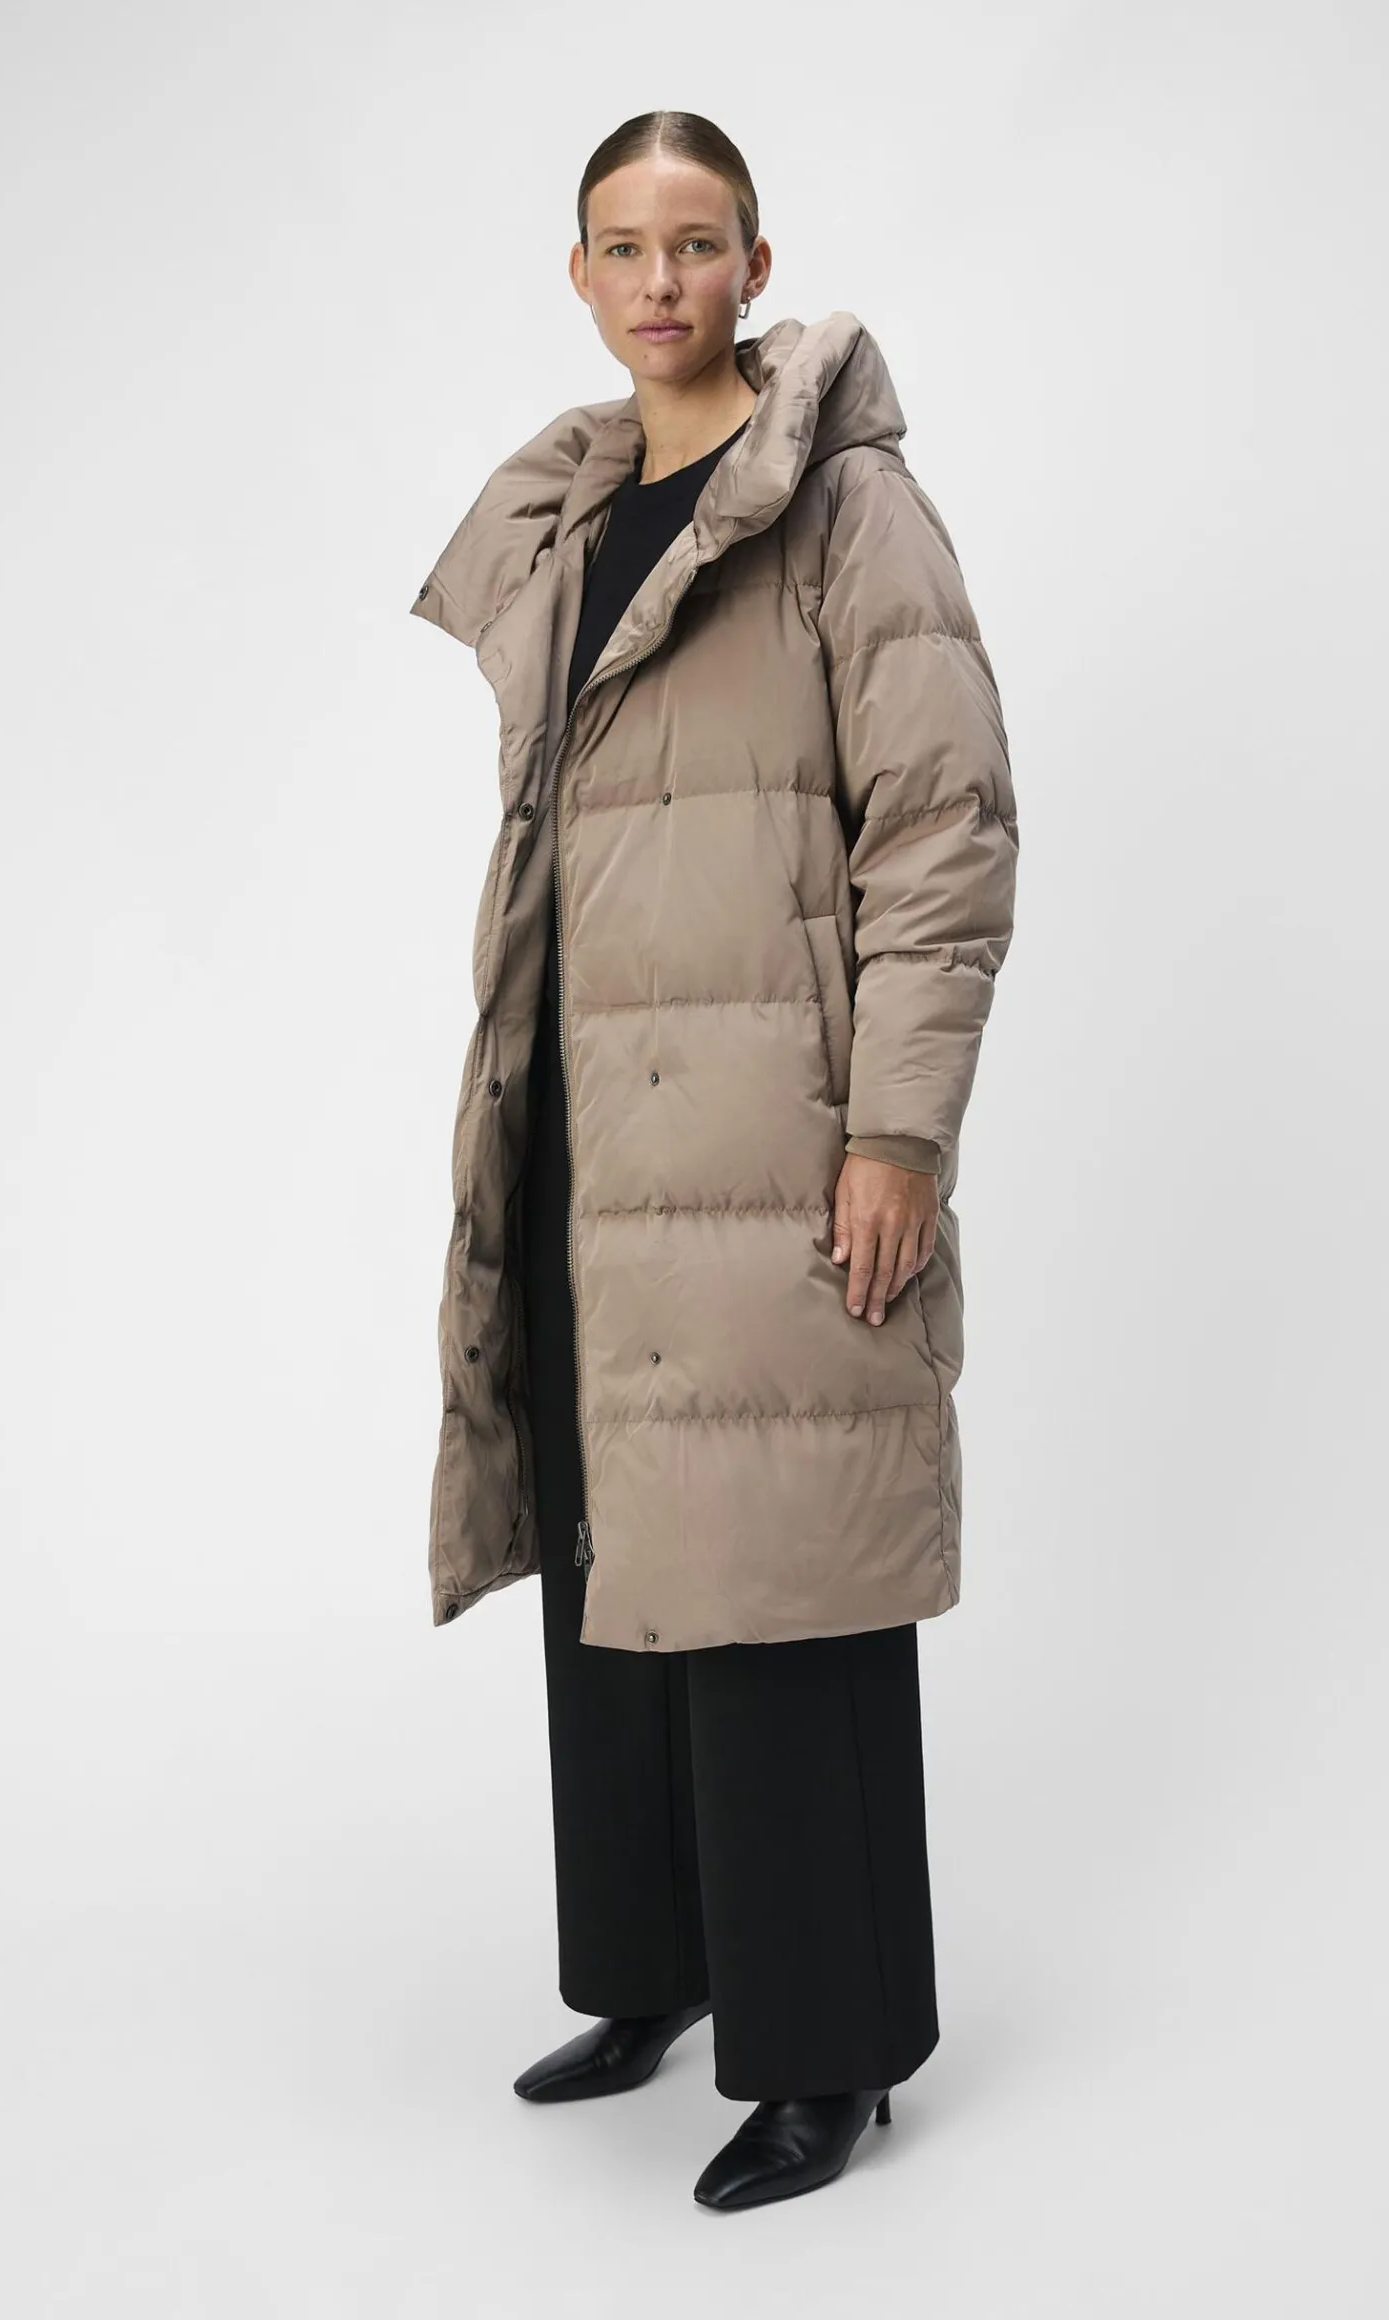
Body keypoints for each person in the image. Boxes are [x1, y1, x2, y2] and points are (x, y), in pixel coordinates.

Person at [408, 109, 1018, 2211]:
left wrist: (898, 1129)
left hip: (775, 1125)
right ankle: (653, 1968)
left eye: (696, 243)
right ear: (579, 273)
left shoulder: (847, 506)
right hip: (591, 1113)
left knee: (786, 1570)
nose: (658, 280)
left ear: (758, 262)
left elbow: (944, 833)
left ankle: (832, 2050)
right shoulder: (576, 517)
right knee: (610, 1552)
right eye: (622, 245)